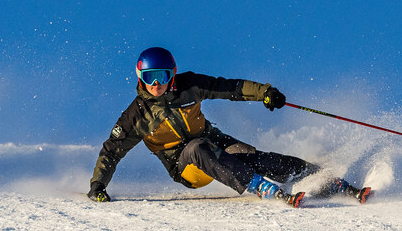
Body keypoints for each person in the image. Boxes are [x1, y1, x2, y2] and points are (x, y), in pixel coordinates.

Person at [87, 46, 371, 206]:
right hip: (185, 166)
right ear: (140, 78)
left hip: (212, 140)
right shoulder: (137, 114)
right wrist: (98, 185)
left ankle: (327, 181)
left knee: (252, 156)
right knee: (197, 147)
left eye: (161, 76)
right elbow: (112, 150)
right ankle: (263, 188)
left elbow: (229, 88)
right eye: (149, 77)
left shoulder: (190, 85)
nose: (156, 84)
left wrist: (265, 93)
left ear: (172, 74)